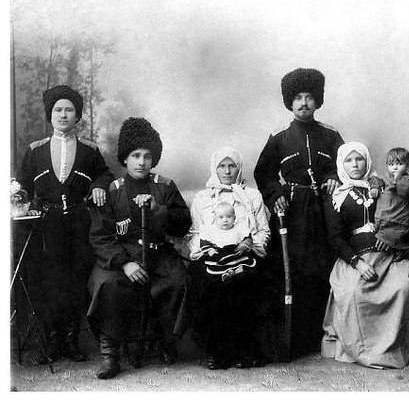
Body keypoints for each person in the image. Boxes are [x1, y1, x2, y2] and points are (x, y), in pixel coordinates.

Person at [14, 85, 113, 363]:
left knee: (75, 280)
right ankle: (50, 341)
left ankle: (71, 340)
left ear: (77, 115)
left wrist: (99, 185)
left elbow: (104, 174)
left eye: (69, 110)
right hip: (45, 226)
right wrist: (19, 199)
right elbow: (21, 185)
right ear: (50, 115)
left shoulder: (89, 150)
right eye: (58, 109)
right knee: (47, 282)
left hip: (78, 225)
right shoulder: (35, 150)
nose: (63, 114)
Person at [86, 117, 192, 379]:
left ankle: (167, 340)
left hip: (159, 254)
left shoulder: (165, 186)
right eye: (135, 156)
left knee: (179, 281)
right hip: (121, 258)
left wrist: (159, 210)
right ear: (125, 158)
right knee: (106, 284)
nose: (141, 162)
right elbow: (100, 236)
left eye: (147, 156)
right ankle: (110, 353)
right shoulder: (113, 191)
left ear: (154, 159)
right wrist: (125, 263)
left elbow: (182, 224)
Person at [254, 67, 344, 359]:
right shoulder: (279, 138)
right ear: (289, 103)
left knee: (322, 267)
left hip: (323, 208)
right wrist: (276, 195)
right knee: (290, 269)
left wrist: (334, 176)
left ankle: (320, 337)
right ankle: (290, 338)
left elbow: (346, 164)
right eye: (298, 98)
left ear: (317, 101)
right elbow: (264, 173)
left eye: (309, 97)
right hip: (291, 210)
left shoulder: (331, 135)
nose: (304, 103)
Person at [321, 142, 409, 369]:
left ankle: (391, 348)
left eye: (359, 159)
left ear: (367, 161)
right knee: (353, 291)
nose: (355, 165)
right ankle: (362, 349)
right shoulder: (336, 195)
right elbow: (335, 237)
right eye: (349, 160)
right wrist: (357, 263)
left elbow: (402, 217)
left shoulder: (383, 187)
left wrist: (392, 240)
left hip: (387, 255)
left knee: (403, 287)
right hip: (354, 258)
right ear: (342, 164)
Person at [188, 146, 270, 369]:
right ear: (215, 169)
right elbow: (196, 233)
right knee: (211, 286)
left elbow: (263, 230)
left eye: (232, 166)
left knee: (245, 285)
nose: (227, 171)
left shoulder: (251, 196)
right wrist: (207, 250)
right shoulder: (202, 197)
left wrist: (251, 244)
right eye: (222, 166)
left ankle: (246, 351)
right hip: (213, 256)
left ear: (239, 168)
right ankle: (218, 352)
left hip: (245, 254)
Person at [369, 147, 409, 252]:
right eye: (391, 164)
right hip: (382, 218)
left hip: (398, 219)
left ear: (408, 166)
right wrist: (374, 188)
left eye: (399, 164)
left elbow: (405, 191)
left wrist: (395, 181)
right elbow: (377, 180)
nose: (395, 167)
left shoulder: (408, 181)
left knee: (398, 246)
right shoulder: (385, 178)